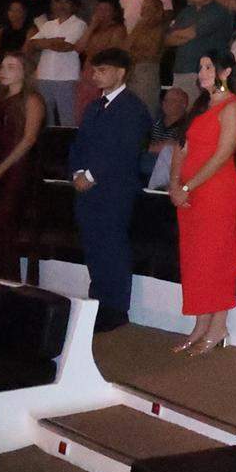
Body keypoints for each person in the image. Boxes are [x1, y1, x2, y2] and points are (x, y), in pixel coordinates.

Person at [169, 51, 236, 355]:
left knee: (216, 260)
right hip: (191, 193)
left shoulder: (233, 107)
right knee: (195, 260)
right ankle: (200, 324)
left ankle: (218, 327)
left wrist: (187, 186)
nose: (202, 72)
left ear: (226, 71)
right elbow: (181, 147)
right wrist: (174, 183)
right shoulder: (201, 105)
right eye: (200, 67)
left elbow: (222, 155)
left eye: (209, 67)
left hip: (217, 193)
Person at [70, 48, 149, 331]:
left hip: (115, 189)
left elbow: (124, 151)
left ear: (120, 72)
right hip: (88, 189)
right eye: (94, 70)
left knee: (112, 246)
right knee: (93, 246)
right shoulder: (94, 106)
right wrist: (77, 172)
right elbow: (79, 144)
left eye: (102, 70)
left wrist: (91, 174)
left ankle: (114, 309)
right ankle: (98, 303)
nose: (96, 75)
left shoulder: (132, 108)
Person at [0, 52, 45, 275]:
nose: (4, 71)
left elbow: (29, 139)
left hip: (17, 168)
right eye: (3, 66)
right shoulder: (0, 98)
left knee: (4, 224)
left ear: (25, 71)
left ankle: (7, 282)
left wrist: (1, 168)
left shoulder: (32, 99)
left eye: (11, 67)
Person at [27, 0, 87, 126]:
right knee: (45, 117)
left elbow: (65, 46)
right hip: (44, 75)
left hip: (65, 77)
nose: (62, 6)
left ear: (74, 6)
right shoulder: (48, 25)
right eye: (59, 3)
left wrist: (45, 43)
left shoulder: (79, 24)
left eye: (66, 3)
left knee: (67, 117)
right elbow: (32, 43)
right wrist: (53, 41)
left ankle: (67, 140)